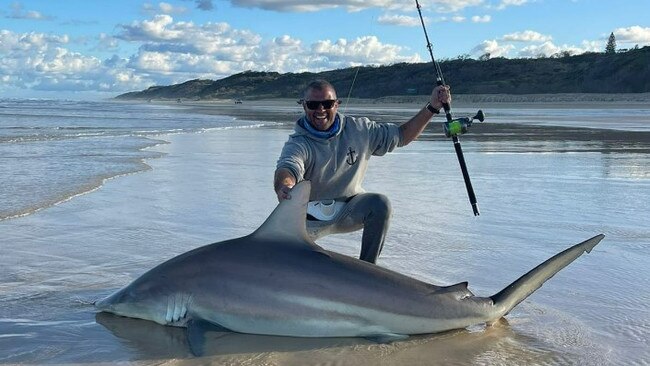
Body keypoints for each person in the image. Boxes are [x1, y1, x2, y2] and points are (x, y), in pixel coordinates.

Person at [274, 79, 451, 264]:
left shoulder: (360, 130)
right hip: (310, 217)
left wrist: (432, 107)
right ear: (304, 106)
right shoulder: (298, 143)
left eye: (327, 104)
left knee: (380, 204)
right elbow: (288, 167)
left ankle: (368, 268)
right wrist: (285, 186)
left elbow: (402, 135)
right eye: (313, 104)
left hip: (350, 209)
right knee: (283, 261)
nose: (320, 110)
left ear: (336, 104)